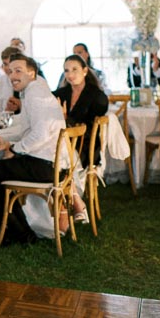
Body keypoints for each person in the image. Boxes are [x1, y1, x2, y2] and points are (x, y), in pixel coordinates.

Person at [0, 55, 65, 246]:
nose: (13, 75)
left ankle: (17, 231)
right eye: (10, 71)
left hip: (45, 165)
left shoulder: (35, 95)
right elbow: (27, 128)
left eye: (18, 70)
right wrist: (8, 143)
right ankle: (18, 231)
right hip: (51, 161)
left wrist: (14, 149)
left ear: (32, 72)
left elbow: (40, 134)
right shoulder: (35, 90)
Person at [54, 54, 108, 224]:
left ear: (85, 71)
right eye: (66, 70)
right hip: (62, 144)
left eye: (75, 69)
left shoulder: (97, 96)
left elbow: (88, 129)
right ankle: (74, 204)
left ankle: (66, 210)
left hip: (85, 148)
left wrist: (65, 118)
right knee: (52, 155)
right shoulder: (60, 94)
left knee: (56, 158)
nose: (70, 74)